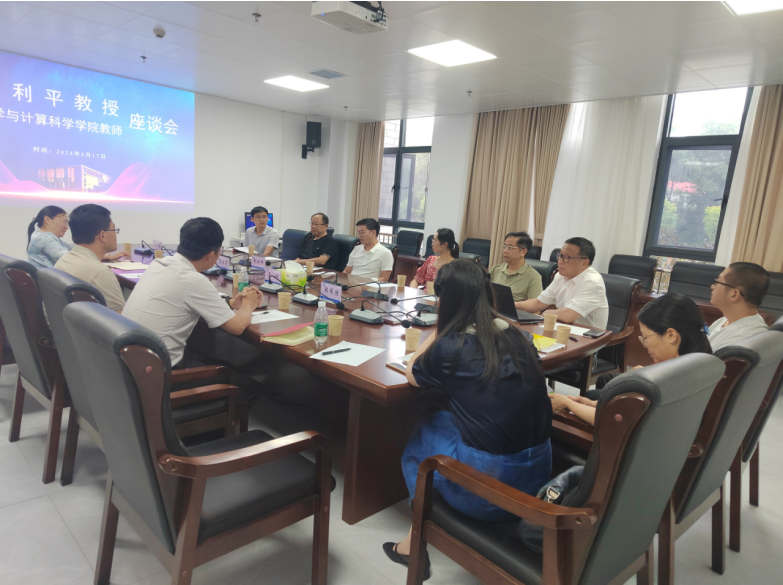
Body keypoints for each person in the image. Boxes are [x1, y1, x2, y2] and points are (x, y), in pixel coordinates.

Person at [383, 261, 552, 578]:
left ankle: (414, 540)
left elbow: (412, 373)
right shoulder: (520, 336)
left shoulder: (451, 346)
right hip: (539, 480)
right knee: (444, 417)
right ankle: (412, 538)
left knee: (424, 430)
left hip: (489, 496)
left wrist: (441, 328)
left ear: (442, 299)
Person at [123, 217, 263, 386]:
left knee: (226, 365)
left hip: (132, 366)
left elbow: (186, 297)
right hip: (160, 376)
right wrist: (249, 304)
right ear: (212, 255)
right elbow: (237, 327)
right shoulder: (193, 280)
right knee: (245, 384)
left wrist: (233, 303)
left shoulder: (160, 263)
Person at [550, 293, 712, 426]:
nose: (644, 344)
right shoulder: (700, 366)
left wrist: (568, 403)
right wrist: (591, 403)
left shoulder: (663, 381)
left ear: (671, 335)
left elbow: (613, 419)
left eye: (646, 337)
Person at [516, 237, 608, 329]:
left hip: (587, 335)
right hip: (563, 329)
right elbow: (538, 303)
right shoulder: (560, 276)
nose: (559, 261)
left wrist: (547, 312)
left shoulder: (592, 282)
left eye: (566, 257)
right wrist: (512, 305)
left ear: (584, 263)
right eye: (560, 255)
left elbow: (569, 315)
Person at [54, 204, 128, 312]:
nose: (116, 234)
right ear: (103, 235)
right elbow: (121, 318)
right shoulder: (100, 273)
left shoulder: (65, 259)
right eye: (114, 230)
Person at [708, 262, 770, 351]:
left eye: (717, 282)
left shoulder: (740, 341)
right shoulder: (728, 319)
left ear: (734, 294)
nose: (712, 286)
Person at [489, 231, 543, 302]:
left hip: (515, 309)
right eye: (504, 246)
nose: (505, 251)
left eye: (510, 247)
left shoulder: (534, 277)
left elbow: (535, 306)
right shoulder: (496, 269)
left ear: (523, 252)